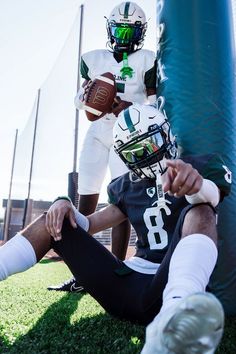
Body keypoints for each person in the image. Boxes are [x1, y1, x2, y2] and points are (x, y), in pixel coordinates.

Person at [0, 104, 231, 353]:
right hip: (125, 288)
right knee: (53, 218)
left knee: (201, 210)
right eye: (133, 153)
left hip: (169, 284)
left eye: (150, 144)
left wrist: (196, 187)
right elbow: (87, 224)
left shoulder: (198, 167)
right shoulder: (125, 186)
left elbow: (212, 197)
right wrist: (63, 203)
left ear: (166, 134)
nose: (144, 156)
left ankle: (175, 316)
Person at [48, 1, 157, 292]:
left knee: (120, 200)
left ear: (140, 32)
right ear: (109, 29)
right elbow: (78, 100)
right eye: (118, 30)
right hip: (98, 131)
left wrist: (129, 107)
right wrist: (85, 97)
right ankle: (81, 274)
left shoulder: (146, 60)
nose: (122, 37)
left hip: (128, 134)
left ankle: (116, 270)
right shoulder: (93, 59)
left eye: (128, 31)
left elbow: (154, 102)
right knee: (85, 195)